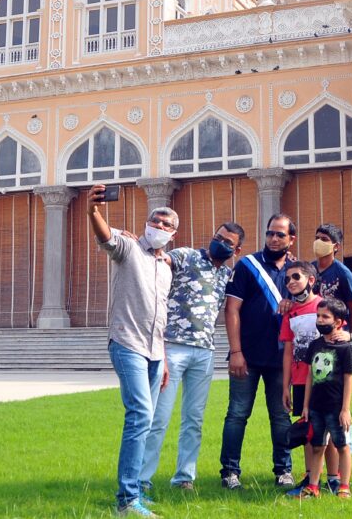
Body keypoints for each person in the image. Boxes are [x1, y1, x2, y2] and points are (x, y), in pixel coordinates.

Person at [89, 185, 176, 517]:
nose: (160, 226)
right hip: (127, 343)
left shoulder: (166, 266)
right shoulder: (129, 249)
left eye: (166, 225)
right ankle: (127, 500)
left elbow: (161, 317)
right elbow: (106, 236)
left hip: (155, 351)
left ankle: (135, 490)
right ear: (147, 223)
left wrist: (164, 357)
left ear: (173, 233)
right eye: (156, 221)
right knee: (139, 415)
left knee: (148, 418)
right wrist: (93, 210)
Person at [140, 222, 245, 493]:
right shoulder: (187, 255)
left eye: (226, 241)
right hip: (173, 347)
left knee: (194, 419)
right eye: (217, 237)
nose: (219, 242)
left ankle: (184, 477)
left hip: (205, 351)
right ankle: (141, 479)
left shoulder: (228, 274)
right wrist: (147, 244)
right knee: (159, 417)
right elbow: (163, 257)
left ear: (236, 249)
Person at [219, 214, 297, 490]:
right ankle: (229, 472)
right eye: (270, 233)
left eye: (280, 235)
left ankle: (284, 471)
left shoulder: (298, 270)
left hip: (281, 358)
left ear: (291, 239)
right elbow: (232, 309)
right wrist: (235, 351)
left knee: (281, 416)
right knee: (237, 414)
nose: (274, 239)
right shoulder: (247, 266)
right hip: (247, 357)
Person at [295, 297, 352, 499]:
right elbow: (310, 376)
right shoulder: (314, 345)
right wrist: (305, 406)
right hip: (316, 407)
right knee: (317, 446)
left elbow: (348, 379)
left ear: (338, 322)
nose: (320, 320)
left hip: (335, 408)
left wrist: (345, 409)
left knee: (341, 446)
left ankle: (344, 486)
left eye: (325, 317)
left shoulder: (344, 348)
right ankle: (313, 486)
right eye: (318, 316)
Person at [280, 261, 322, 495]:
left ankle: (334, 478)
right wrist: (285, 385)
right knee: (308, 431)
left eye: (296, 276)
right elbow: (288, 350)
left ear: (311, 280)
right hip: (298, 380)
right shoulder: (290, 314)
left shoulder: (323, 306)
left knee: (328, 430)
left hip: (324, 382)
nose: (291, 282)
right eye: (287, 279)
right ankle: (309, 476)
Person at [311, 224, 352, 333]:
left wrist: (346, 333)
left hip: (335, 335)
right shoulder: (308, 270)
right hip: (311, 333)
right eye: (317, 238)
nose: (319, 242)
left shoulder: (343, 273)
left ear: (336, 246)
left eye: (324, 239)